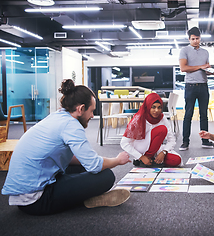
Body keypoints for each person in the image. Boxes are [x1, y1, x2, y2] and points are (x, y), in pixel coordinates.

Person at [2, 79, 132, 216]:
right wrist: (117, 160)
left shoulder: (58, 116)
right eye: (92, 111)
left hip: (22, 195)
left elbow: (73, 159)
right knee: (106, 175)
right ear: (81, 109)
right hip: (36, 200)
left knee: (84, 167)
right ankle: (87, 199)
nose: (92, 116)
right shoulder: (72, 126)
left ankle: (81, 194)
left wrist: (93, 162)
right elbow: (95, 165)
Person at [120, 93, 182, 167]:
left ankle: (151, 161)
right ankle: (145, 159)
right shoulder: (138, 119)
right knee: (162, 129)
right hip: (141, 150)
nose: (156, 110)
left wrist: (164, 152)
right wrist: (141, 157)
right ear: (148, 106)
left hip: (156, 149)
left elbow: (171, 140)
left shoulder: (162, 118)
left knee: (176, 160)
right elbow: (123, 143)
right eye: (153, 107)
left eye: (159, 107)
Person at [178, 26, 214, 151]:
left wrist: (212, 72)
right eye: (193, 39)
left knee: (204, 115)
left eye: (197, 39)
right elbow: (184, 68)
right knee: (188, 114)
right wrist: (201, 66)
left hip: (204, 86)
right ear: (189, 39)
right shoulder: (184, 50)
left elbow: (205, 69)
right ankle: (185, 142)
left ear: (200, 38)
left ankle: (205, 140)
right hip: (190, 87)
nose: (195, 41)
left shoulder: (205, 52)